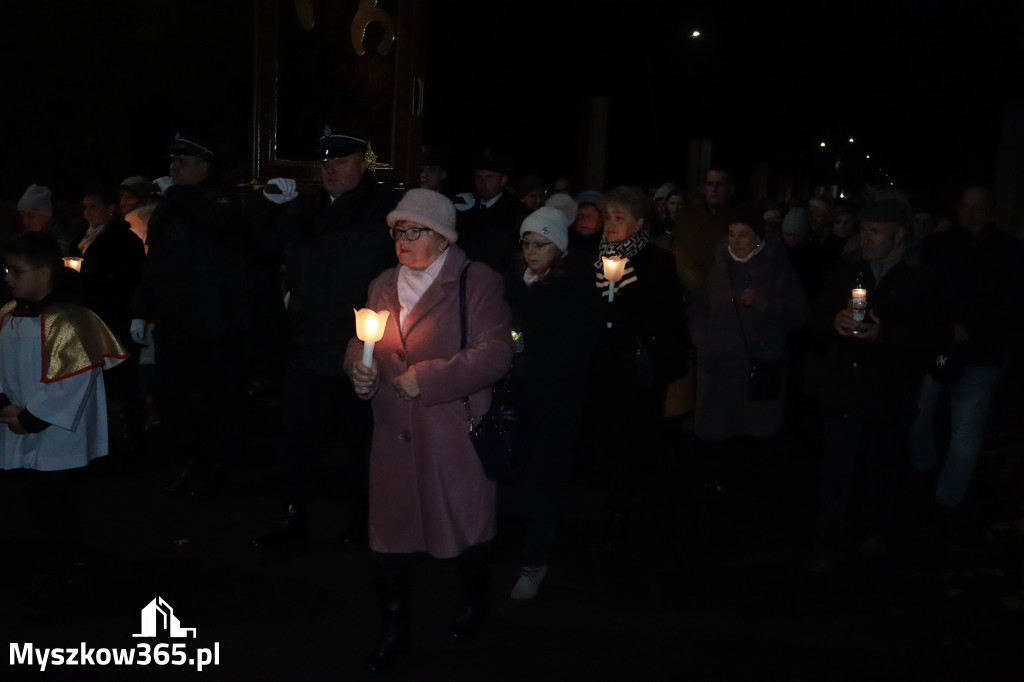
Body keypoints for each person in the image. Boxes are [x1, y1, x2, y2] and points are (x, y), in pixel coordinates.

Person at [345, 188, 514, 673]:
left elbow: (495, 353)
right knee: (389, 540)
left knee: (464, 531)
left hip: (452, 434)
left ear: (442, 237)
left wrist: (431, 378)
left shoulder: (474, 282)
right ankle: (394, 628)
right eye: (398, 230)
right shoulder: (382, 284)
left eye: (415, 230)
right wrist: (358, 368)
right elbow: (362, 342)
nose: (403, 239)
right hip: (393, 435)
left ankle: (475, 600)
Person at [250, 126, 401, 550]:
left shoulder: (385, 210)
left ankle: (366, 522)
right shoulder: (305, 209)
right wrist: (266, 206)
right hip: (306, 346)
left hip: (359, 351)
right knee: (297, 442)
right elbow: (262, 249)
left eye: (340, 161)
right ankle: (293, 517)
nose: (329, 169)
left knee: (362, 446)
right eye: (325, 162)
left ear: (362, 164)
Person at [807, 197, 938, 572]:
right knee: (835, 471)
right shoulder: (847, 269)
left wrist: (886, 333)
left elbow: (933, 334)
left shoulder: (920, 275)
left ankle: (874, 534)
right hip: (844, 388)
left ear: (898, 235)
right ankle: (827, 542)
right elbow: (814, 323)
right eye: (864, 230)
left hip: (888, 391)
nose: (866, 238)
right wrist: (832, 322)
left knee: (880, 468)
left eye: (875, 231)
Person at [0, 231, 128, 591]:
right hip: (19, 417)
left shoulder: (68, 320)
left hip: (56, 427)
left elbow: (74, 378)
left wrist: (31, 417)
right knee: (38, 499)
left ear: (43, 274)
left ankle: (64, 565)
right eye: (7, 268)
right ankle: (57, 556)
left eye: (16, 269)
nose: (8, 276)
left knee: (54, 499)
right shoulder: (8, 315)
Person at [129, 132, 247, 496]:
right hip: (174, 322)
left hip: (212, 324)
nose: (173, 167)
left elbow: (215, 226)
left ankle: (217, 467)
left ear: (204, 166)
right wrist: (140, 310)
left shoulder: (222, 198)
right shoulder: (170, 206)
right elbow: (156, 262)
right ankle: (193, 459)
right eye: (172, 161)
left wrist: (178, 194)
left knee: (215, 401)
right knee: (169, 396)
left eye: (182, 162)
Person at [908, 186, 1024, 540]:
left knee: (966, 431)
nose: (971, 214)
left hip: (981, 355)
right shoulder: (940, 247)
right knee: (917, 412)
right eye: (965, 207)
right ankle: (923, 468)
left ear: (991, 211)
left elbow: (1011, 304)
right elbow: (926, 292)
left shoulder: (1009, 252)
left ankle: (949, 499)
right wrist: (946, 325)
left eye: (979, 208)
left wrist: (973, 327)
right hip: (938, 349)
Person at [500, 205, 597, 600]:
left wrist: (526, 358)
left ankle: (535, 561)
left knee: (545, 482)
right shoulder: (512, 281)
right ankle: (505, 545)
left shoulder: (574, 287)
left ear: (558, 245)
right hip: (511, 397)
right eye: (526, 243)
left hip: (553, 402)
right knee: (507, 472)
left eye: (541, 243)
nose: (532, 250)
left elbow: (577, 349)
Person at [588, 185, 688, 546]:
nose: (610, 225)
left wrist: (624, 300)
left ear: (641, 222)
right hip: (599, 364)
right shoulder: (591, 256)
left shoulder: (657, 261)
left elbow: (668, 318)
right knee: (603, 435)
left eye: (619, 218)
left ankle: (625, 507)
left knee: (631, 439)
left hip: (636, 368)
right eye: (608, 217)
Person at [687, 206, 807, 492]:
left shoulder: (776, 267)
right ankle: (715, 493)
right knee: (715, 439)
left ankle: (749, 497)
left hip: (757, 369)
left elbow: (799, 314)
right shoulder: (716, 267)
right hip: (718, 368)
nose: (736, 241)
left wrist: (765, 304)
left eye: (743, 235)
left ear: (758, 237)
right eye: (731, 234)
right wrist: (704, 342)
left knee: (752, 441)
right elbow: (699, 308)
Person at [76, 184, 147, 456]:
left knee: (125, 378)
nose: (87, 212)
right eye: (84, 207)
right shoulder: (83, 237)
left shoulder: (122, 240)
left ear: (110, 209)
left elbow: (126, 278)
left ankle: (133, 435)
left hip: (116, 316)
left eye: (93, 206)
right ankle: (103, 437)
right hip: (93, 316)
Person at [455, 148, 530, 272]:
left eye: (489, 177)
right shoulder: (466, 211)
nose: (482, 183)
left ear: (503, 180)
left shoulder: (516, 213)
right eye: (479, 177)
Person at [674, 166, 736, 284]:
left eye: (720, 185)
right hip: (689, 287)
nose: (714, 189)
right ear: (703, 188)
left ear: (730, 189)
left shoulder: (738, 219)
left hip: (722, 287)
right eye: (710, 184)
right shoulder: (686, 216)